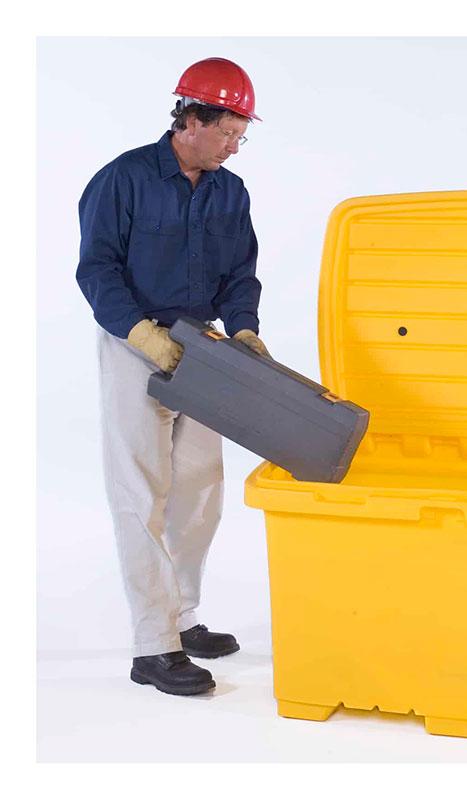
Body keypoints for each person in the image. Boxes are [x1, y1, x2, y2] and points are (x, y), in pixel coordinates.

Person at [76, 57, 269, 696]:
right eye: (229, 131)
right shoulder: (122, 180)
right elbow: (97, 270)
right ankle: (152, 647)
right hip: (136, 342)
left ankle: (182, 618)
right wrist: (141, 335)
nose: (236, 144)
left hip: (202, 349)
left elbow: (241, 270)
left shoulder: (229, 190)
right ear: (191, 118)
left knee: (200, 486)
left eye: (243, 134)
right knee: (141, 492)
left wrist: (242, 328)